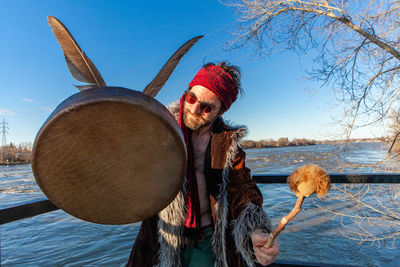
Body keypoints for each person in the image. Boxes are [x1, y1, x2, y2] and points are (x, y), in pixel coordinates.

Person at [127, 62, 280, 267]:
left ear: (221, 111)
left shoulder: (227, 144)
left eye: (207, 107)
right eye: (192, 98)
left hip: (208, 238)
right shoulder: (159, 128)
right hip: (163, 233)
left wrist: (257, 231)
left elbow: (242, 188)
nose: (195, 109)